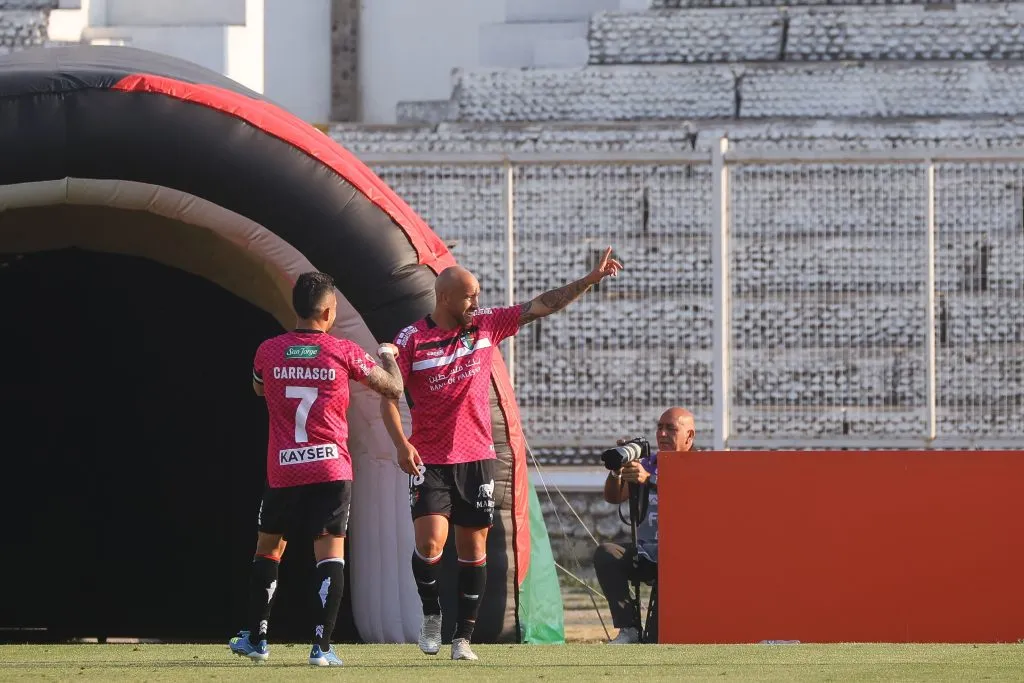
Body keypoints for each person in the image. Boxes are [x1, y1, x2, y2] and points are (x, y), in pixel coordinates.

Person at [381, 248, 624, 661]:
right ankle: (432, 616)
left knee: (473, 550)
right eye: (469, 296)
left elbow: (540, 305)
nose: (476, 303)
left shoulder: (486, 326)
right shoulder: (412, 339)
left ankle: (462, 639)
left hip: (477, 457)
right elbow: (388, 396)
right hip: (431, 460)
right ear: (444, 298)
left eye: (477, 295)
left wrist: (587, 281)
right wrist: (401, 444)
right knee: (430, 542)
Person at [228, 271, 404, 666]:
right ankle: (321, 648)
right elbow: (393, 388)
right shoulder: (343, 351)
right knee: (330, 555)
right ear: (327, 311)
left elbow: (258, 388)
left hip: (284, 469)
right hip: (330, 468)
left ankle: (256, 639)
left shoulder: (268, 350)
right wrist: (389, 356)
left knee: (269, 551)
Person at [594, 407, 696, 645]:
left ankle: (649, 635)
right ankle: (628, 628)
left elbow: (692, 496)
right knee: (608, 554)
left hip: (683, 557)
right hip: (647, 552)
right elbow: (613, 497)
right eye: (659, 427)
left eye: (671, 428)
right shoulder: (648, 462)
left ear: (689, 436)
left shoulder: (698, 465)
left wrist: (650, 480)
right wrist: (616, 472)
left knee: (656, 640)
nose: (662, 434)